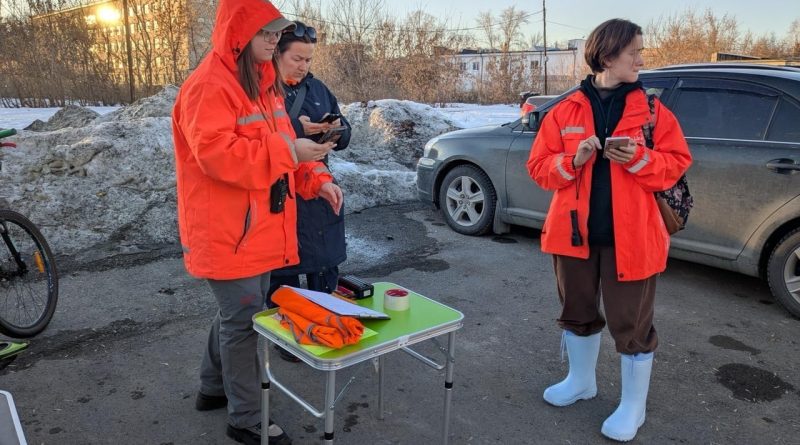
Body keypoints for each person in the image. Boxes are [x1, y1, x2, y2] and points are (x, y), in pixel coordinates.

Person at [171, 1, 342, 444]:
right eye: (265, 34)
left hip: (256, 229)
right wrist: (291, 155)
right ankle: (246, 419)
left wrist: (316, 178)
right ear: (238, 34)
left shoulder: (263, 84)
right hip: (228, 232)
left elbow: (285, 143)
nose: (273, 41)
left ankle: (213, 389)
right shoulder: (209, 85)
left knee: (236, 313)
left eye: (275, 33)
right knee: (244, 320)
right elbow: (217, 156)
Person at [527, 19, 691, 442]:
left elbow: (676, 164)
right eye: (633, 50)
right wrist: (574, 161)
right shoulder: (564, 110)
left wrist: (638, 158)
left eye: (640, 50)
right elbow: (539, 169)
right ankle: (581, 382)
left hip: (633, 240)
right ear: (606, 56)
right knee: (577, 313)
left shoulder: (653, 111)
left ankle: (632, 407)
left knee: (631, 325)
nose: (641, 58)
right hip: (573, 237)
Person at [266, 21, 352, 362]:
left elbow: (345, 134)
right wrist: (295, 130)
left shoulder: (318, 89)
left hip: (319, 182)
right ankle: (285, 332)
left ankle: (325, 322)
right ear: (277, 55)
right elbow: (269, 139)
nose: (303, 66)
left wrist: (335, 130)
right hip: (281, 191)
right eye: (297, 58)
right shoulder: (265, 91)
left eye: (308, 59)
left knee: (324, 259)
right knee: (284, 266)